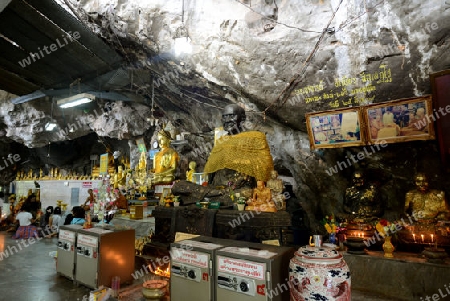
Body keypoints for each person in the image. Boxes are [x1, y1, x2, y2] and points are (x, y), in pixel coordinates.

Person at [172, 104, 274, 206]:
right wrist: (208, 187)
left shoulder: (255, 137)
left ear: (242, 119)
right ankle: (212, 197)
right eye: (224, 117)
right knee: (178, 186)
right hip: (217, 189)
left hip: (239, 189)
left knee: (246, 194)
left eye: (231, 116)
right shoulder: (221, 141)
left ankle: (207, 199)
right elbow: (212, 176)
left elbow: (263, 169)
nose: (227, 120)